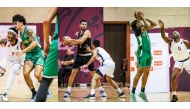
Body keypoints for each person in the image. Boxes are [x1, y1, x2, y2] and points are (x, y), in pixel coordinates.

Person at [12, 14, 51, 102]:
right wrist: (22, 47)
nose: (14, 25)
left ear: (21, 23)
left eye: (15, 23)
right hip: (30, 55)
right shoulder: (20, 33)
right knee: (25, 73)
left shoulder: (28, 30)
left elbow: (35, 43)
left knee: (37, 74)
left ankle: (46, 89)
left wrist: (22, 51)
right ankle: (34, 93)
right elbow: (27, 43)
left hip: (38, 54)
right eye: (14, 23)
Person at [63, 20, 106, 98]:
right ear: (79, 25)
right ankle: (68, 91)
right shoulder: (79, 34)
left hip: (87, 56)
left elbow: (81, 41)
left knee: (93, 74)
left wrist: (70, 40)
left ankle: (101, 90)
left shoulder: (87, 32)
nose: (84, 25)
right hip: (79, 56)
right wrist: (69, 43)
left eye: (85, 24)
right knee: (73, 73)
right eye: (82, 24)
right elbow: (78, 44)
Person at [158, 19, 190, 102]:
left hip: (187, 61)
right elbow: (163, 37)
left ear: (179, 35)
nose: (174, 33)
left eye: (176, 32)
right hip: (178, 62)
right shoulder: (170, 42)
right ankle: (174, 96)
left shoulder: (185, 42)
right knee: (173, 77)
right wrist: (162, 28)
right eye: (173, 33)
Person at [130, 12, 157, 102]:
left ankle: (142, 92)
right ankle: (132, 93)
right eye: (139, 21)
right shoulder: (138, 31)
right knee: (139, 72)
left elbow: (154, 24)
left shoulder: (144, 29)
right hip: (142, 52)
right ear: (137, 25)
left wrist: (146, 17)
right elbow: (146, 25)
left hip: (148, 53)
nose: (140, 22)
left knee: (147, 73)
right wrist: (143, 18)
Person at [35, 7, 58, 102]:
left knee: (46, 80)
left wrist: (46, 44)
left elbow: (46, 20)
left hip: (59, 43)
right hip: (77, 44)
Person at [0, 27, 25, 101]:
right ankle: (2, 72)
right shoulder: (5, 41)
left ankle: (5, 93)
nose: (9, 35)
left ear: (16, 35)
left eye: (11, 34)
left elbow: (30, 49)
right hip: (7, 60)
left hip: (18, 62)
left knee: (13, 71)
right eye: (8, 33)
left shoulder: (21, 43)